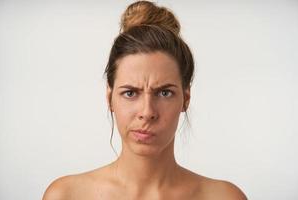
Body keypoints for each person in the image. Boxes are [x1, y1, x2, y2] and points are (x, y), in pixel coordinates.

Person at [43, 1, 247, 199]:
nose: (147, 112)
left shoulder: (224, 197)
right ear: (109, 98)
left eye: (164, 93)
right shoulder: (66, 195)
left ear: (186, 99)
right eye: (130, 93)